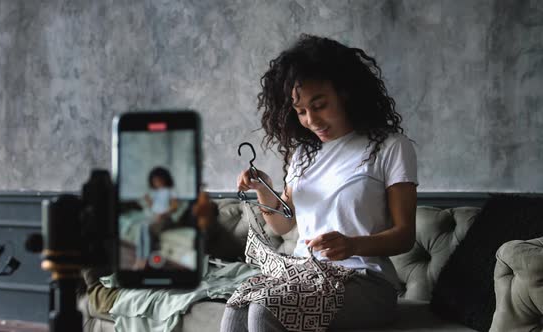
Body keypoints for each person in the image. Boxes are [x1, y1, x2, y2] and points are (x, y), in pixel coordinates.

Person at [221, 34, 418, 331]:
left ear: (346, 93)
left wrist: (354, 245)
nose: (311, 119)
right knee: (237, 308)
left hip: (366, 282)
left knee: (265, 310)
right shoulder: (303, 155)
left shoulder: (390, 147)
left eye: (320, 105)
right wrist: (263, 188)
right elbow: (283, 225)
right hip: (304, 274)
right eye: (300, 112)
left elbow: (405, 236)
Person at [135, 166, 179, 269]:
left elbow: (174, 207)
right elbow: (154, 207)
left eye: (159, 180)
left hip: (166, 218)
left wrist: (163, 214)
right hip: (156, 217)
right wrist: (148, 200)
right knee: (142, 227)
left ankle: (146, 258)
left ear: (165, 179)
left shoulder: (170, 191)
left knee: (148, 228)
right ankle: (139, 257)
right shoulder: (156, 193)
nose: (157, 182)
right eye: (154, 181)